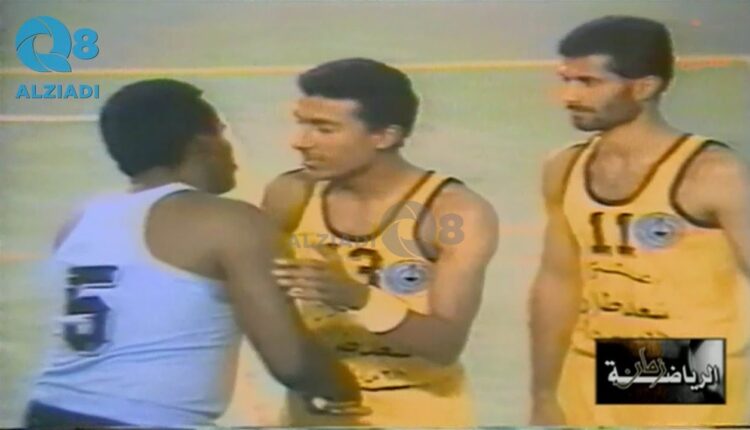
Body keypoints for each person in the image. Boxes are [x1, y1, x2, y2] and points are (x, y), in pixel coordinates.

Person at [23, 79, 365, 428]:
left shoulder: (83, 217)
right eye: (222, 134)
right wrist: (347, 392)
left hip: (47, 411)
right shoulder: (230, 221)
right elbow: (291, 361)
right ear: (204, 145)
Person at [529, 15, 750, 426]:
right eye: (567, 80)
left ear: (644, 87)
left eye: (589, 82)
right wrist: (543, 393)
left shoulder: (712, 173)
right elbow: (558, 283)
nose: (569, 96)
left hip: (688, 366)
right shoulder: (564, 167)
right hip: (588, 365)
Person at [261, 58, 499, 427]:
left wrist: (358, 297)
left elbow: (445, 344)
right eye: (302, 124)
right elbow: (265, 302)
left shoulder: (452, 212)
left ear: (385, 136)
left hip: (418, 414)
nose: (301, 142)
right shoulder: (290, 194)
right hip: (319, 410)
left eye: (324, 129)